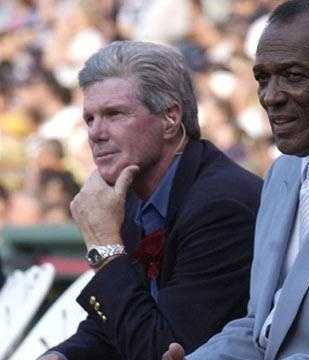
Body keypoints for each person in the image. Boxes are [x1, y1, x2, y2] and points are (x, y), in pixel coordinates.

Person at [163, 1, 309, 359]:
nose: (271, 96)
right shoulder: (282, 174)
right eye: (262, 78)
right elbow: (261, 328)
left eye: (293, 76)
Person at [40, 41, 262, 360]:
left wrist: (104, 246)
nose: (95, 133)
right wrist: (61, 357)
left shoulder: (221, 206)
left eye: (114, 114)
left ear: (171, 118)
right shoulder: (131, 193)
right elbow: (111, 325)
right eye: (89, 119)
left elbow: (159, 350)